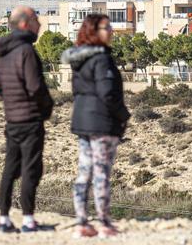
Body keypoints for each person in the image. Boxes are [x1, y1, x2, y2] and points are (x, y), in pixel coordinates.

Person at [61, 14, 130, 238]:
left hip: (82, 121)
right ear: (94, 31)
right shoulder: (102, 59)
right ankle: (104, 223)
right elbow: (107, 93)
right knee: (101, 173)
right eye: (106, 27)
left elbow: (77, 92)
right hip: (102, 123)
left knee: (84, 172)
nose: (111, 31)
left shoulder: (79, 59)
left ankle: (81, 221)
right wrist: (123, 116)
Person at [0, 6, 54, 233]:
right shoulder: (26, 51)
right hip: (30, 120)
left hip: (12, 120)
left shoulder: (4, 53)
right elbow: (35, 87)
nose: (41, 25)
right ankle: (28, 219)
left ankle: (4, 219)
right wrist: (47, 108)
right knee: (31, 169)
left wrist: (12, 102)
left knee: (10, 168)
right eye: (37, 20)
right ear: (25, 23)